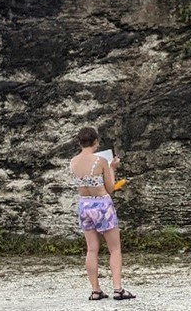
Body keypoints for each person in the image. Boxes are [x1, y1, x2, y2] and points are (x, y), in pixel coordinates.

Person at [69, 126, 134, 301]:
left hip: (84, 205)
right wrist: (113, 168)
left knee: (91, 249)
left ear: (79, 142)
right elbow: (111, 188)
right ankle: (118, 289)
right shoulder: (101, 161)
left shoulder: (73, 162)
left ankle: (96, 290)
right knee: (114, 249)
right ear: (96, 141)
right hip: (102, 205)